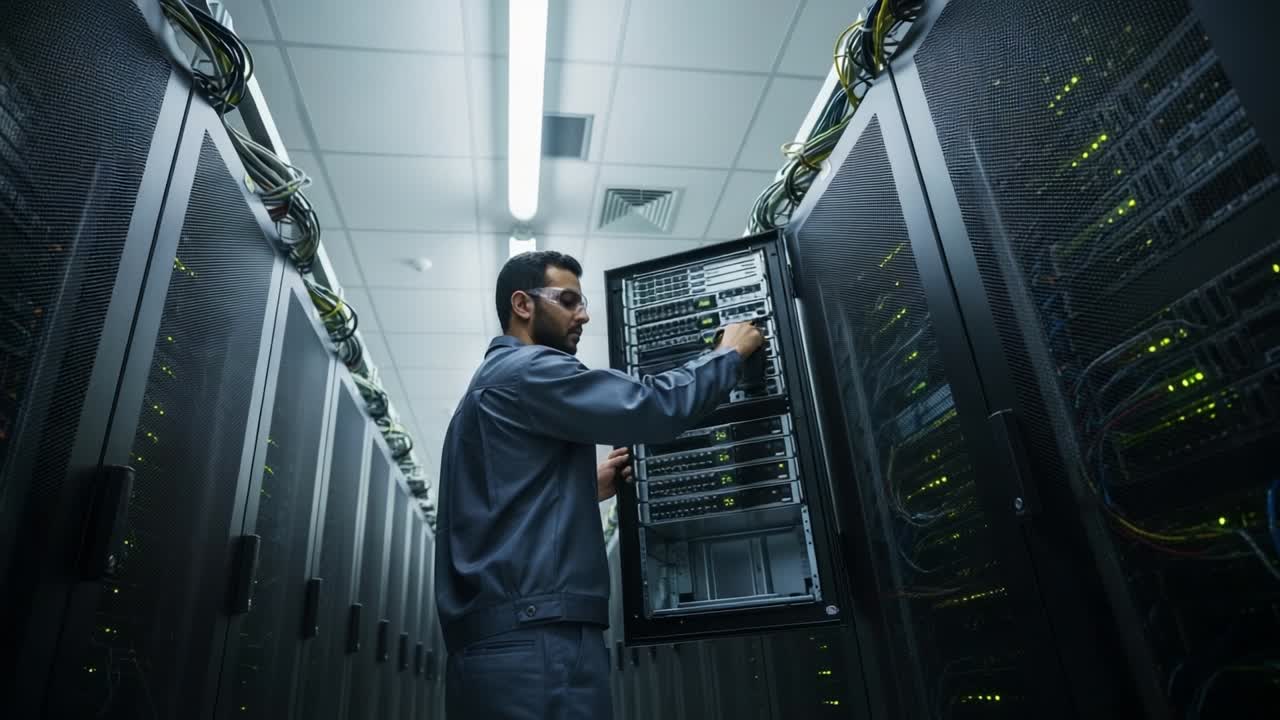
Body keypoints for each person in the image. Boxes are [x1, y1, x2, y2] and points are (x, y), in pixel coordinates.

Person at [434, 250, 764, 719]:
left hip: (498, 652)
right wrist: (728, 354)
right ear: (523, 305)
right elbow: (651, 407)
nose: (583, 314)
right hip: (540, 647)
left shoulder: (481, 393)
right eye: (568, 300)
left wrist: (581, 489)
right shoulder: (528, 370)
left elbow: (492, 510)